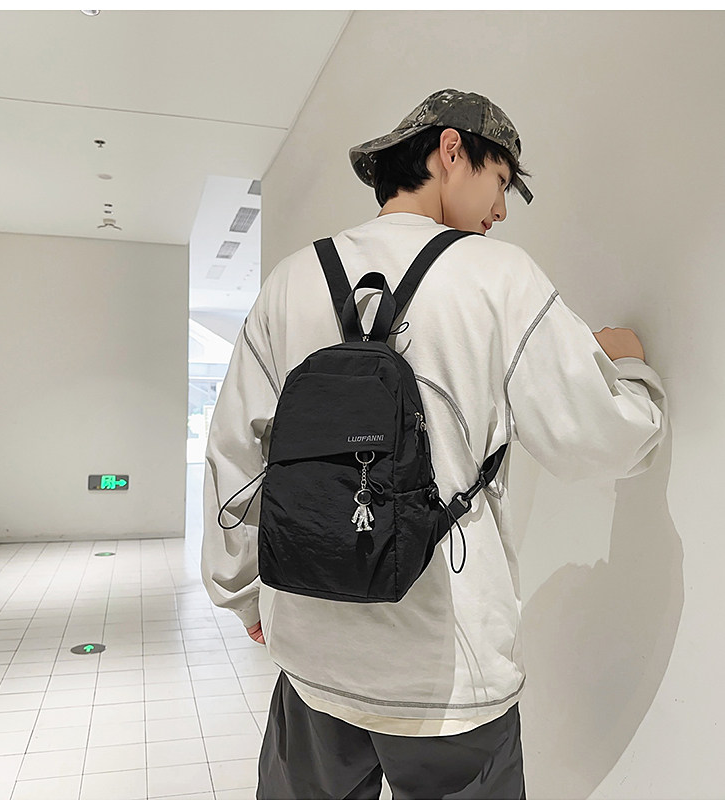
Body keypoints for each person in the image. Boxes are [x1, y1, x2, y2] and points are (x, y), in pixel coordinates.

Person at [200, 89, 668, 799]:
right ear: (452, 150)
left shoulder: (291, 278)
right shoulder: (498, 277)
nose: (501, 210)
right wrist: (631, 374)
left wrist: (243, 596)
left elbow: (235, 455)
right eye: (501, 180)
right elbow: (595, 439)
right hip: (447, 674)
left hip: (312, 654)